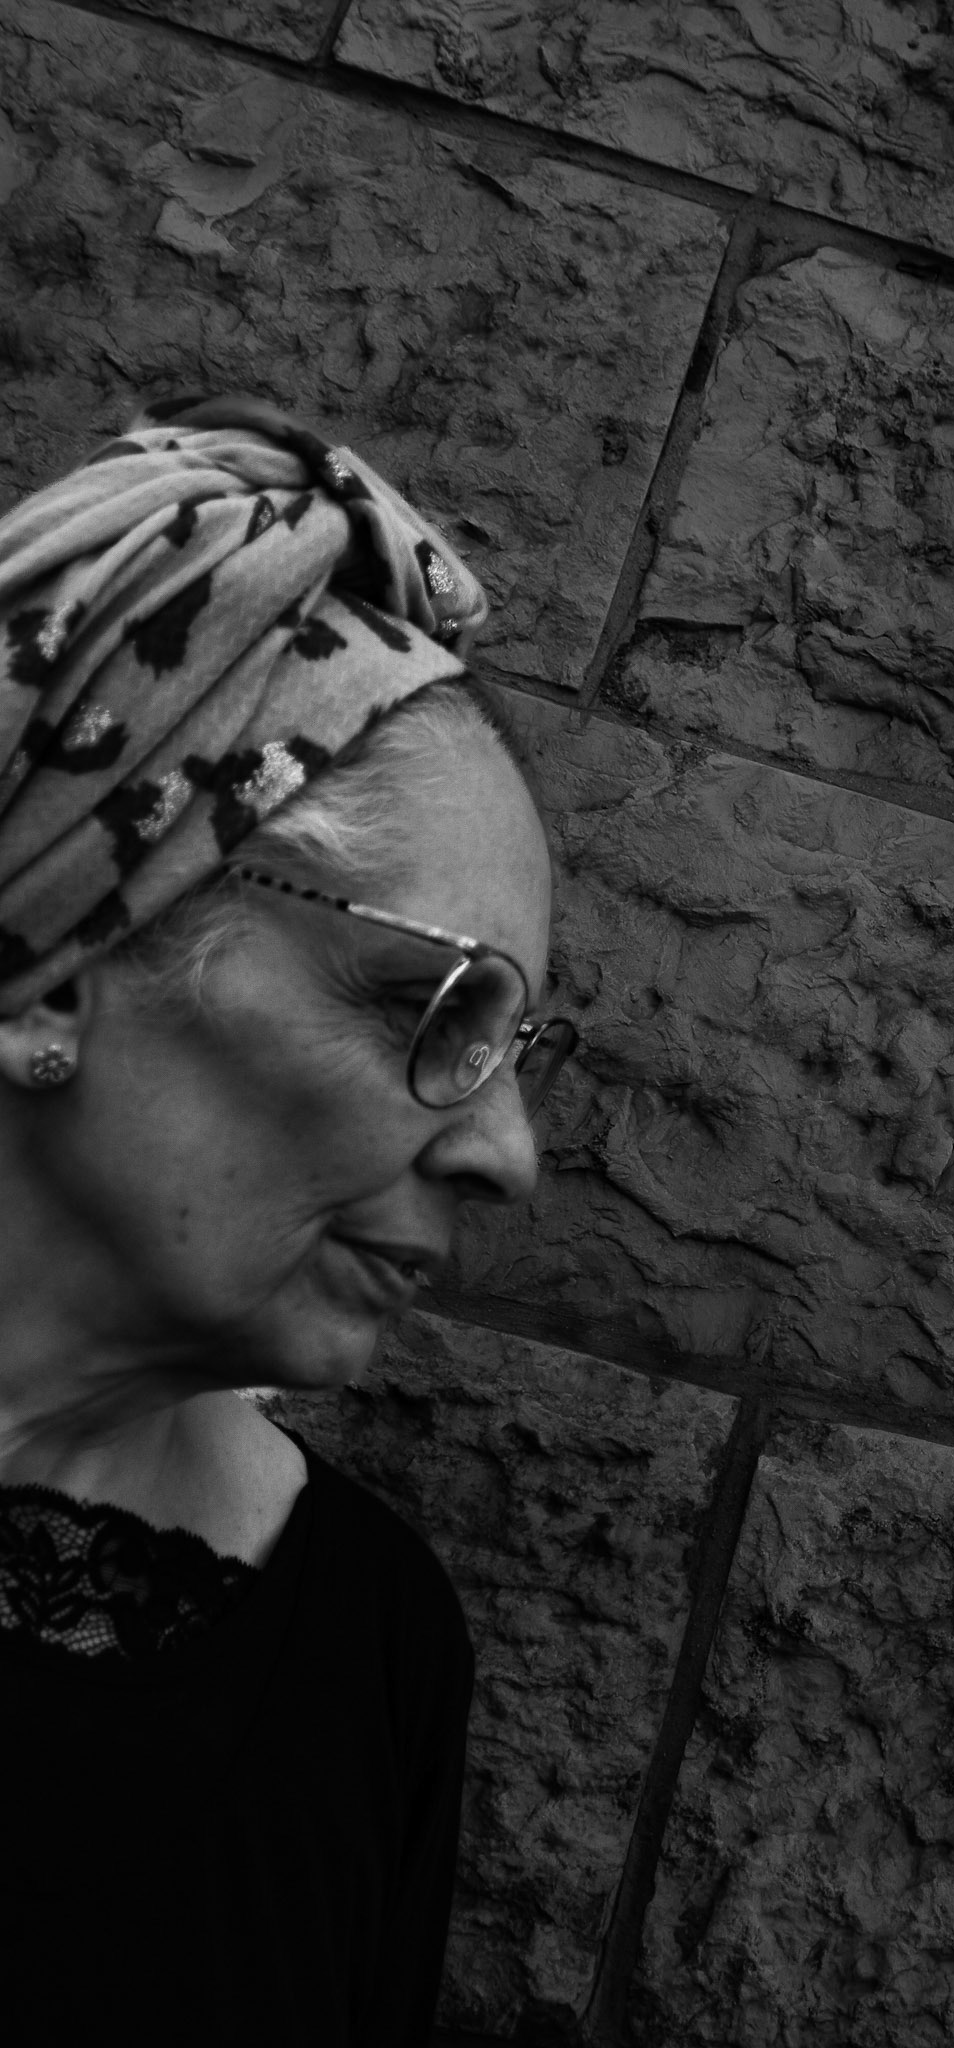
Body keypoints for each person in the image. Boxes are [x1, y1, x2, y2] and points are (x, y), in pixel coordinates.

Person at [0, 395, 577, 2046]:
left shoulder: (371, 1654)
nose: (510, 1157)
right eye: (425, 1003)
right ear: (58, 960)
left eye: (519, 1048)